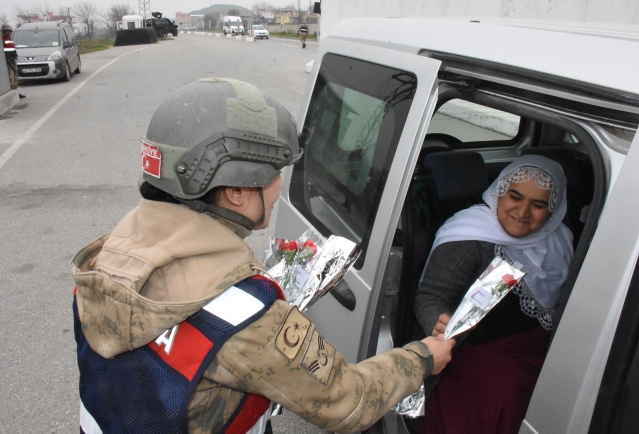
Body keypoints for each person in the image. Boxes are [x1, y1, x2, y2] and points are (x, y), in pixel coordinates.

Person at [71, 78, 456, 434]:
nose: (279, 186)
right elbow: (346, 400)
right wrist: (422, 358)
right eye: (273, 173)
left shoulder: (109, 254)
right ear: (237, 190)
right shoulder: (246, 315)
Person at [414, 155, 573, 434]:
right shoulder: (470, 236)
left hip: (541, 350)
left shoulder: (560, 240)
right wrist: (439, 322)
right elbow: (428, 296)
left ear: (553, 210)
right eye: (515, 196)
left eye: (538, 205)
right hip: (479, 351)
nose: (523, 212)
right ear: (499, 191)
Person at [2, 24, 24, 99]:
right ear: (3, 32)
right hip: (8, 61)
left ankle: (16, 92)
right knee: (11, 77)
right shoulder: (3, 40)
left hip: (13, 59)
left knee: (15, 76)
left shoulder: (10, 39)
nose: (9, 33)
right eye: (7, 31)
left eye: (10, 31)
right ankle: (13, 92)